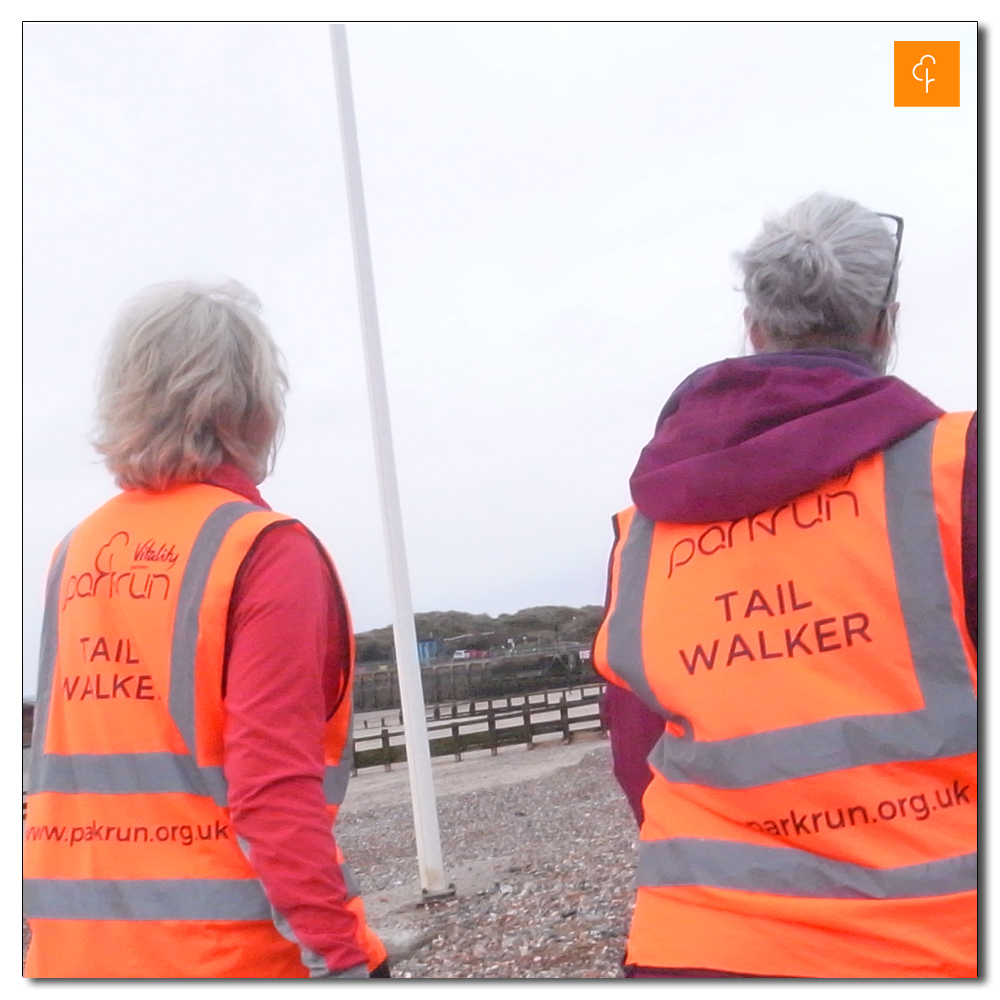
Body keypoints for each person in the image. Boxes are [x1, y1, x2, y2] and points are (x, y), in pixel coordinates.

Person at [594, 193, 976, 979]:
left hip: (698, 947)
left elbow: (638, 752)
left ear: (754, 325)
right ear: (884, 326)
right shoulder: (961, 472)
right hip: (935, 946)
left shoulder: (643, 531)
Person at [23, 280, 390, 978]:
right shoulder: (262, 549)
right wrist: (344, 956)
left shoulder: (77, 550)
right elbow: (271, 787)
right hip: (221, 955)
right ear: (250, 406)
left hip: (68, 953)